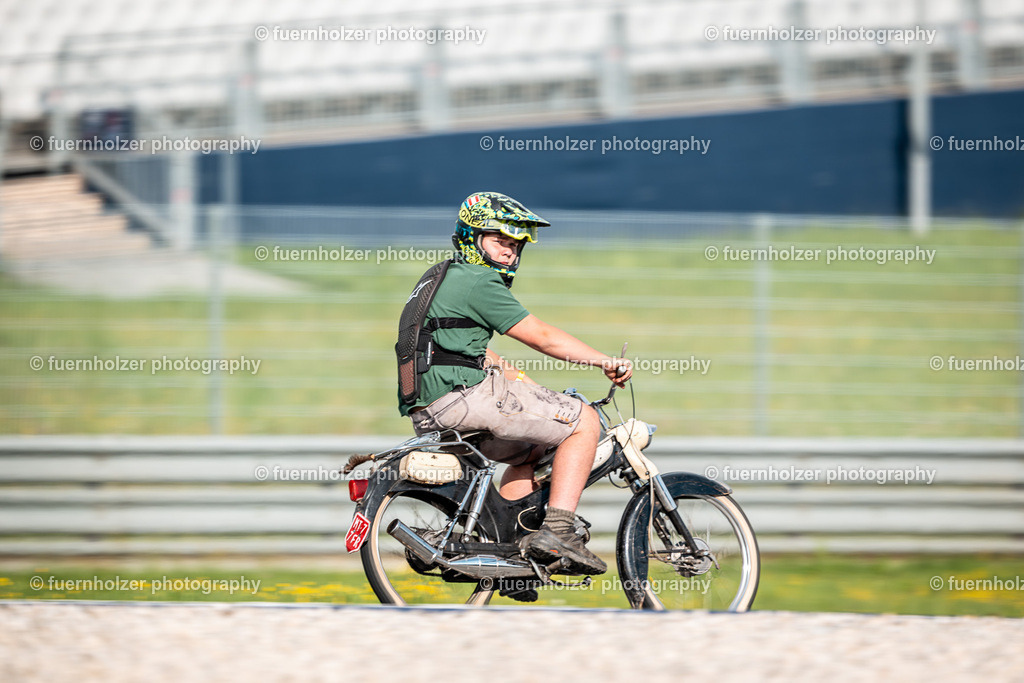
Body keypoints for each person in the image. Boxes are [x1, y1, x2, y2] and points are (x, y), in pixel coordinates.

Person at [397, 191, 632, 580]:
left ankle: (508, 559)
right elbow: (542, 337)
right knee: (585, 422)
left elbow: (475, 352)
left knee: (528, 454)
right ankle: (559, 533)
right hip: (464, 399)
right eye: (499, 241)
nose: (509, 253)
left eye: (514, 246)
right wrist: (604, 360)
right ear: (471, 238)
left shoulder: (438, 279)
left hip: (429, 409)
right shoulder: (478, 280)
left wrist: (535, 391)